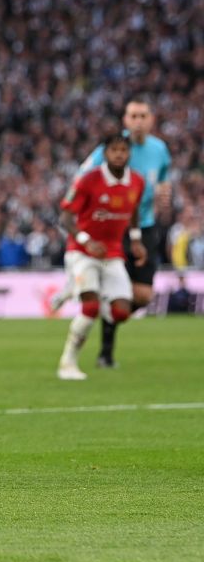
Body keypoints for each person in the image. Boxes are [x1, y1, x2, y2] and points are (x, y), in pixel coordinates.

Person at [52, 98, 172, 368]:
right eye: (133, 116)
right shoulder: (107, 150)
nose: (138, 121)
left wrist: (165, 192)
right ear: (126, 120)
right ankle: (105, 351)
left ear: (151, 119)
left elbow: (162, 180)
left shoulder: (160, 150)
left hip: (142, 225)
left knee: (140, 296)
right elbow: (83, 180)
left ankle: (102, 306)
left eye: (143, 116)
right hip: (108, 230)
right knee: (108, 295)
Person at [56, 134, 145, 380]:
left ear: (129, 154)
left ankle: (73, 289)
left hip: (113, 253)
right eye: (114, 150)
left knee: (121, 313)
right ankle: (67, 363)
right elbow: (64, 218)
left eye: (123, 150)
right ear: (105, 153)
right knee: (90, 308)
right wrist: (86, 241)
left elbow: (134, 209)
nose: (119, 154)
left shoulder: (137, 181)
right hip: (82, 252)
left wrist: (136, 239)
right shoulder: (89, 180)